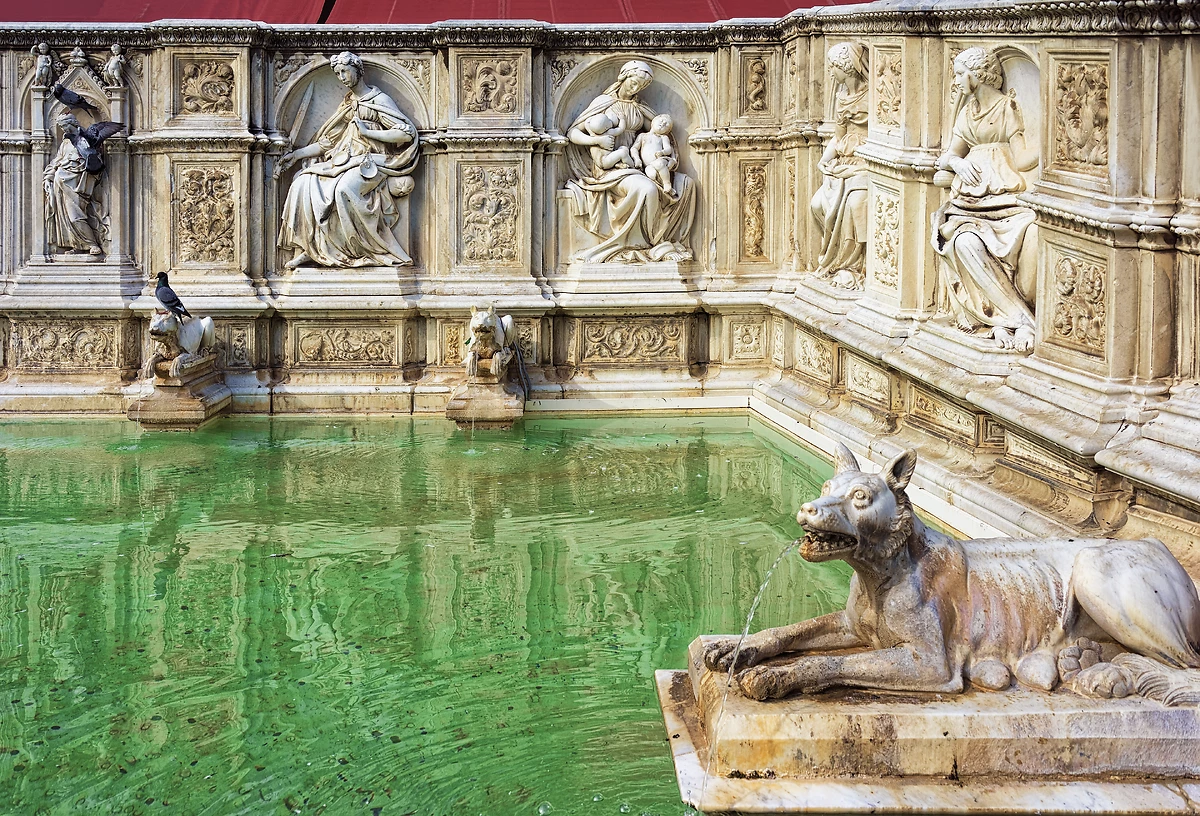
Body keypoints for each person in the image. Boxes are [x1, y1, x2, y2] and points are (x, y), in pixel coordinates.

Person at [931, 47, 1039, 352]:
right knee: (965, 242)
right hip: (967, 204)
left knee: (1029, 229)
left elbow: (1023, 158)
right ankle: (1017, 319)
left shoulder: (1007, 107)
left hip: (1002, 197)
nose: (957, 81)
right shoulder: (966, 113)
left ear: (976, 75)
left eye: (960, 74)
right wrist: (957, 163)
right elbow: (947, 156)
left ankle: (1012, 318)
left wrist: (1059, 144)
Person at [276, 51, 420, 268]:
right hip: (343, 161)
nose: (342, 77)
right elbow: (328, 142)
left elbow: (405, 134)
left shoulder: (378, 100)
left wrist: (369, 133)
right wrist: (297, 154)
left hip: (372, 162)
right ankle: (312, 248)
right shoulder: (347, 104)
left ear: (358, 71)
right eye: (338, 73)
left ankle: (363, 249)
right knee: (301, 182)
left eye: (345, 71)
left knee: (344, 189)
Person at [564, 60, 695, 264]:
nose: (637, 88)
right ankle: (652, 245)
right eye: (635, 82)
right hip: (609, 167)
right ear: (623, 77)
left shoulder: (638, 108)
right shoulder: (603, 102)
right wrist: (596, 140)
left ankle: (657, 241)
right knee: (647, 189)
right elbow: (573, 132)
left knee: (686, 183)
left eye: (643, 85)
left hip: (635, 165)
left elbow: (657, 130)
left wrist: (665, 155)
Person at [809, 42, 868, 289]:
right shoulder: (842, 97)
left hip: (867, 164)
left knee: (855, 205)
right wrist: (825, 159)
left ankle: (851, 266)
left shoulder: (873, 97)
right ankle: (834, 260)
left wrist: (858, 168)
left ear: (848, 67)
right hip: (843, 162)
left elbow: (884, 140)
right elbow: (839, 135)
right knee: (816, 204)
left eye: (834, 66)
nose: (831, 72)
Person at [44, 113, 102, 256]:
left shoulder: (86, 139)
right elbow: (57, 160)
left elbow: (95, 160)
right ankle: (78, 245)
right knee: (65, 217)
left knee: (75, 216)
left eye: (65, 126)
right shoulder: (65, 143)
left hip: (79, 184)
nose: (64, 129)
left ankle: (92, 244)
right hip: (62, 184)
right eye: (61, 127)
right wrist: (48, 177)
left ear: (73, 123)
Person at [632, 114, 677, 194]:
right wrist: (637, 159)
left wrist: (662, 152)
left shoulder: (663, 138)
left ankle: (667, 183)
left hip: (661, 160)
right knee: (651, 175)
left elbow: (668, 149)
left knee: (659, 164)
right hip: (649, 165)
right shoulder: (642, 136)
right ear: (654, 121)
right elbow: (634, 148)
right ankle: (666, 189)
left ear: (666, 132)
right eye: (662, 120)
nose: (663, 124)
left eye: (666, 125)